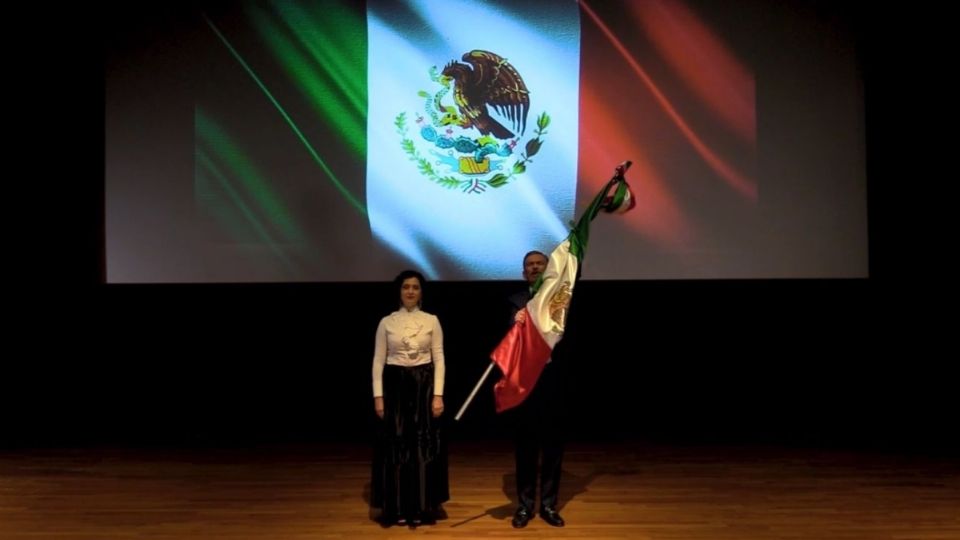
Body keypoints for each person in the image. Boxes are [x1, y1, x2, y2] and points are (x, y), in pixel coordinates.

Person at [370, 270, 449, 526]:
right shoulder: (386, 322)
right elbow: (378, 361)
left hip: (424, 385)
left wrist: (438, 395)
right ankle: (398, 507)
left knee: (422, 444)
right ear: (399, 291)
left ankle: (423, 506)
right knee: (397, 444)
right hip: (395, 386)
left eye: (415, 287)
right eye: (406, 287)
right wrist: (378, 397)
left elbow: (439, 359)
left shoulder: (432, 321)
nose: (410, 291)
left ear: (421, 291)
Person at [506, 250, 567, 528]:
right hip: (525, 383)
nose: (534, 268)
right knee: (526, 446)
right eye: (529, 265)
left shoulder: (562, 298)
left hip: (553, 381)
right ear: (523, 272)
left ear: (548, 268)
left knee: (553, 446)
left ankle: (549, 505)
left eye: (539, 264)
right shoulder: (515, 302)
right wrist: (514, 324)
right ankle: (525, 505)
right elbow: (507, 344)